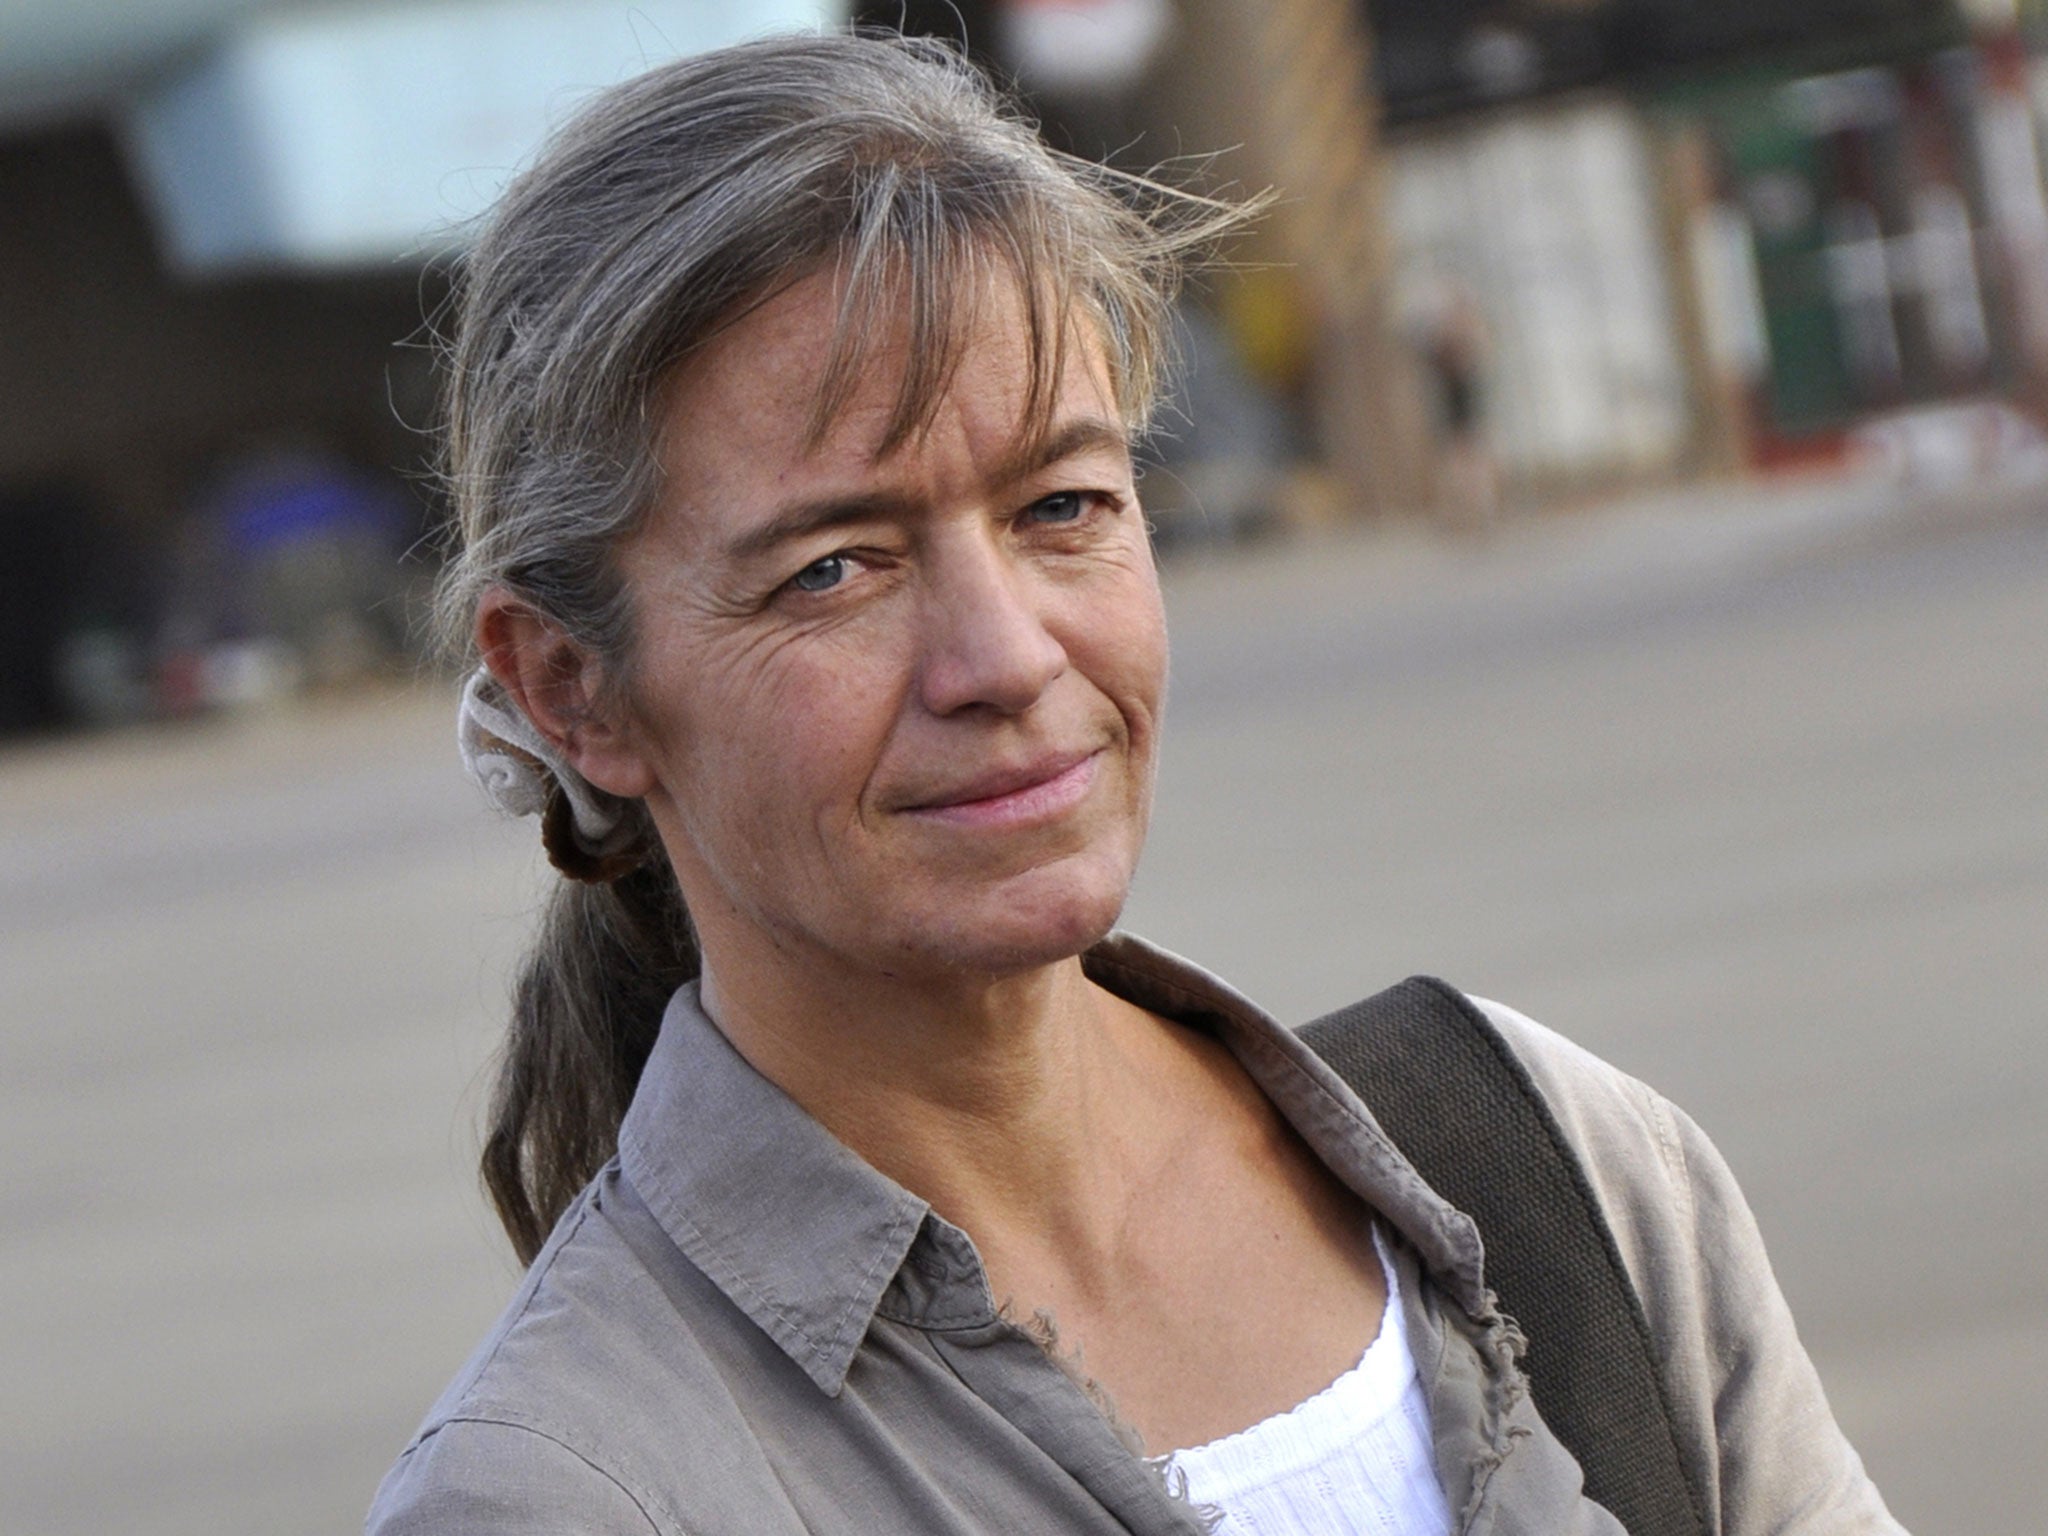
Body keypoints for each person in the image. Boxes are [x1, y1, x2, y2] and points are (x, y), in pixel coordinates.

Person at [370, 32, 1903, 1536]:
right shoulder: (581, 1488)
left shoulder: (1547, 1169)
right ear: (570, 689)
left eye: (1063, 505)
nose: (1005, 657)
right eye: (834, 568)